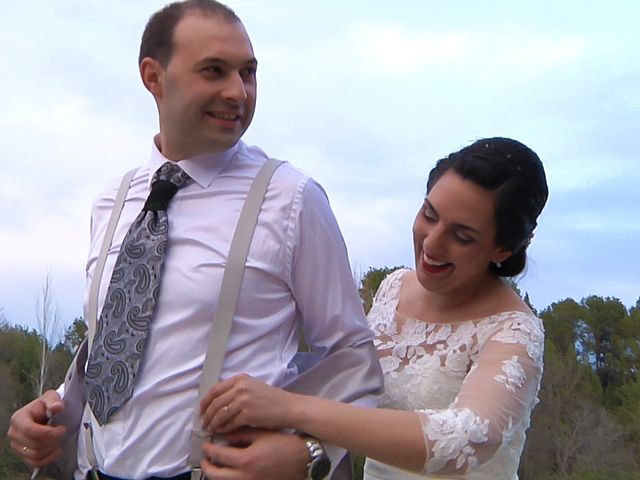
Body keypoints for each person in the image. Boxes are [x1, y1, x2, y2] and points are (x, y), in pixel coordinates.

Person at [7, 1, 383, 479]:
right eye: (214, 71)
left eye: (248, 73)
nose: (238, 92)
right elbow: (119, 343)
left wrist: (309, 451)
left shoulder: (291, 198)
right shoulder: (112, 201)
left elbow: (354, 357)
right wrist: (54, 408)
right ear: (153, 76)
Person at [199, 137, 549, 480]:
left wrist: (289, 407)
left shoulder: (514, 330)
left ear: (502, 250)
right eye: (429, 214)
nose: (432, 242)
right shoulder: (393, 287)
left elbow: (466, 440)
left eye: (462, 236)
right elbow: (353, 390)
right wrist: (306, 450)